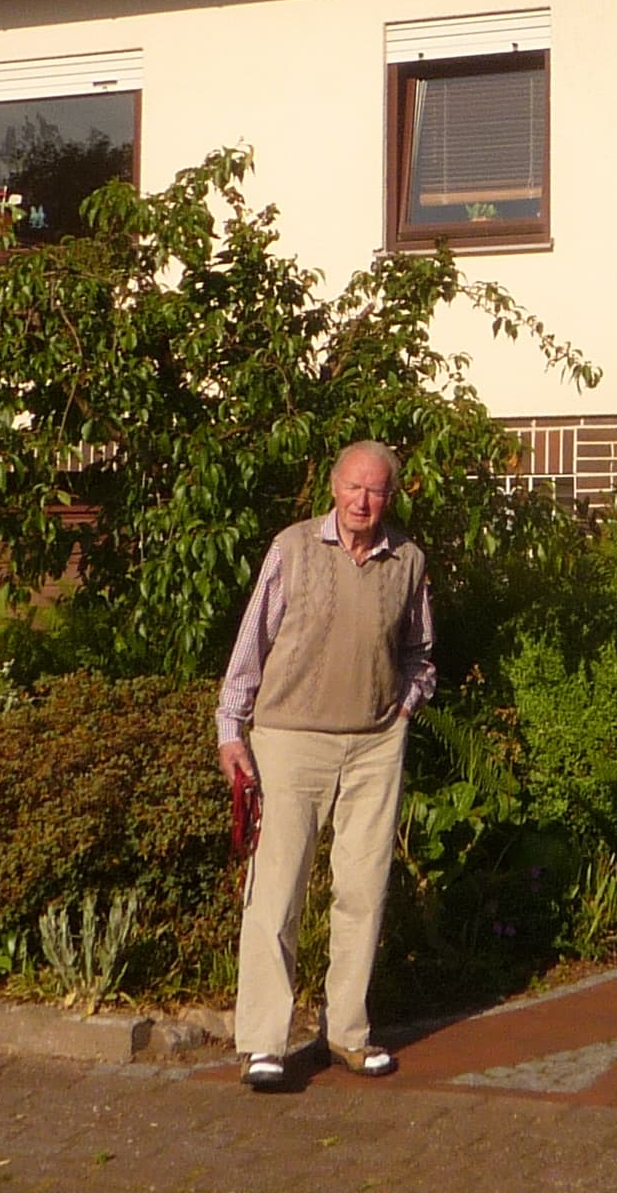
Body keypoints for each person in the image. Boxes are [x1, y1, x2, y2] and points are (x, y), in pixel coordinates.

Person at [216, 440, 434, 1090]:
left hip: (373, 745)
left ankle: (348, 1033)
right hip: (290, 740)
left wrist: (405, 708)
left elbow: (420, 652)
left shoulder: (409, 561)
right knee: (277, 892)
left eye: (377, 492)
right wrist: (233, 731)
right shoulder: (292, 548)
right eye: (352, 488)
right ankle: (263, 1042)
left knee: (363, 892)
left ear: (390, 497)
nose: (363, 502)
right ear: (333, 489)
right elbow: (251, 643)